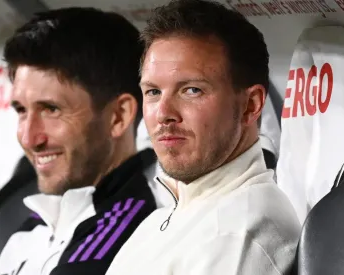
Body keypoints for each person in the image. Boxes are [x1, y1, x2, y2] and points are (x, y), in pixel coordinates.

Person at [105, 0, 300, 274]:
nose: (163, 113)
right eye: (153, 92)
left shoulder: (235, 234)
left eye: (192, 90)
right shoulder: (169, 216)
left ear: (251, 106)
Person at [0, 7, 166, 275]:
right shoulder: (38, 223)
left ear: (118, 116)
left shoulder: (134, 240)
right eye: (21, 110)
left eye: (51, 109)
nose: (29, 137)